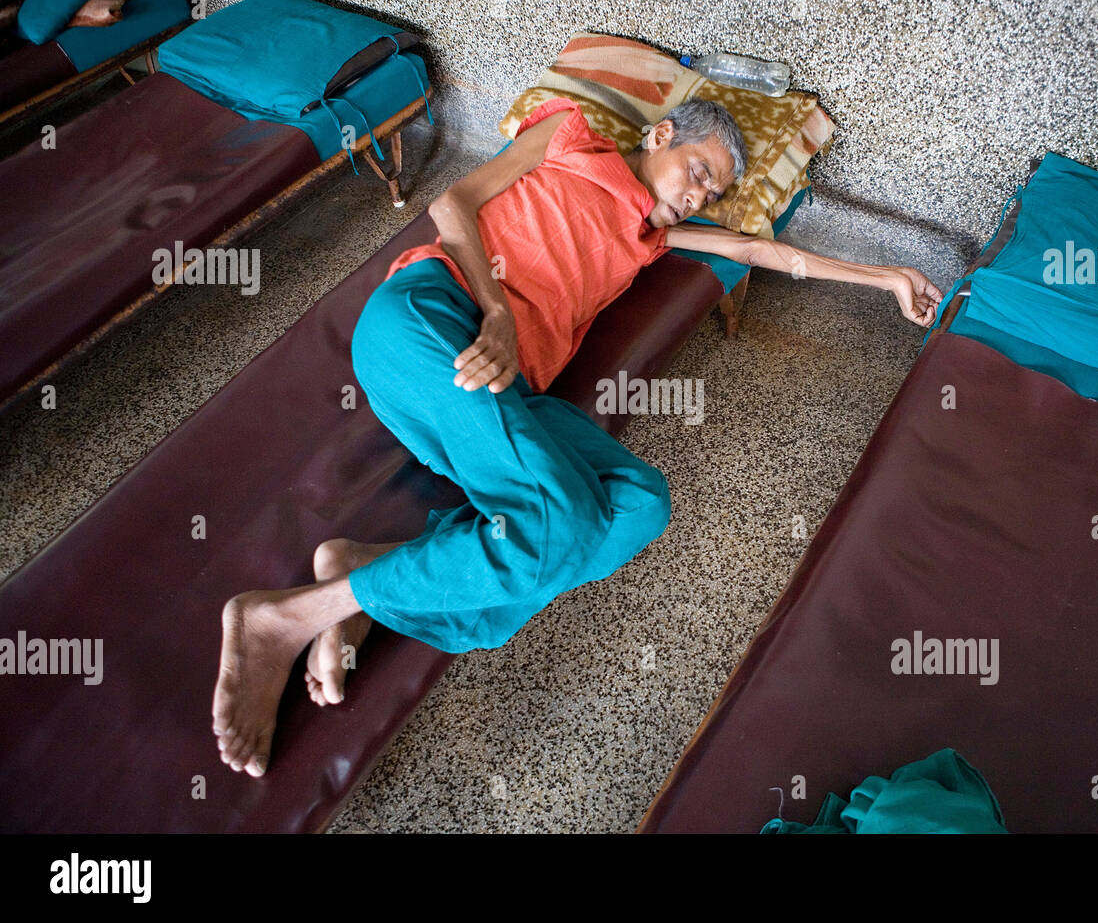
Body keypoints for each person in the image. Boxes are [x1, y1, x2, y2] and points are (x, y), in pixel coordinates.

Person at [212, 97, 942, 777]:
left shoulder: (655, 235)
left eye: (710, 195)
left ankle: (359, 576)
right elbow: (451, 203)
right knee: (560, 519)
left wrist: (888, 277)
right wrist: (496, 312)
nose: (697, 196)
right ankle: (283, 617)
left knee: (639, 506)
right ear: (660, 135)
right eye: (698, 172)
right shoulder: (572, 138)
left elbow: (762, 253)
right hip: (431, 320)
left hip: (504, 393)